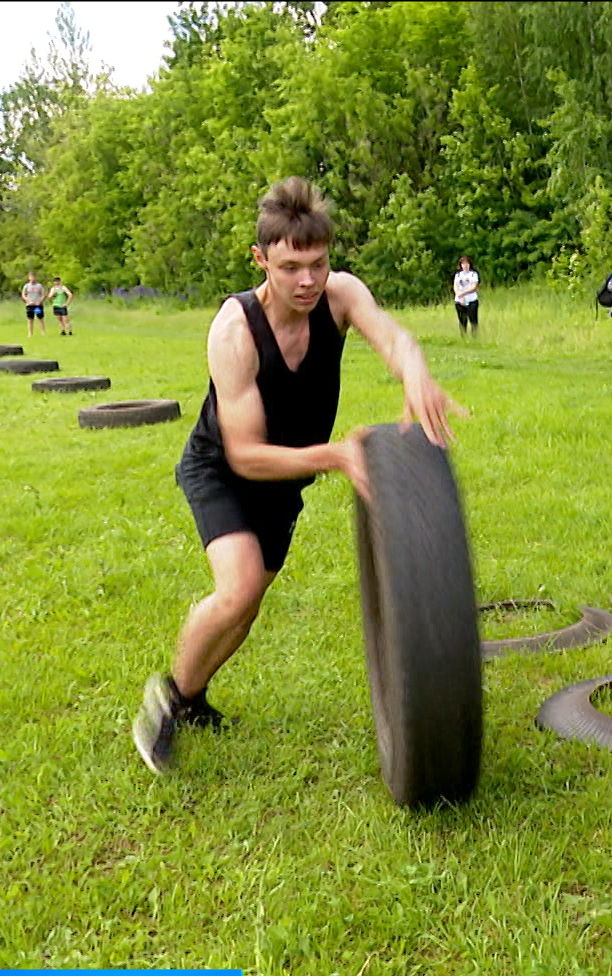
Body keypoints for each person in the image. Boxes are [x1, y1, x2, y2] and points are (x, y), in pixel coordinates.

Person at [132, 177, 463, 774]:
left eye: (317, 263)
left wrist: (415, 373)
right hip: (224, 469)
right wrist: (335, 456)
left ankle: (193, 697)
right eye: (290, 267)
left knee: (251, 601)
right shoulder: (233, 331)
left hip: (286, 479)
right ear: (261, 259)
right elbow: (246, 455)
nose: (307, 281)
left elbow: (390, 334)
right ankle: (167, 700)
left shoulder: (339, 296)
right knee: (237, 588)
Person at [452, 256, 479, 336]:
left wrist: (463, 293)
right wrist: (460, 296)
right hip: (459, 301)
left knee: (473, 320)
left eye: (467, 263)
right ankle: (463, 337)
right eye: (463, 264)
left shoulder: (473, 274)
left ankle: (475, 337)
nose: (465, 265)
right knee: (462, 320)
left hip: (471, 299)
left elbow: (474, 287)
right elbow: (455, 286)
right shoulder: (458, 275)